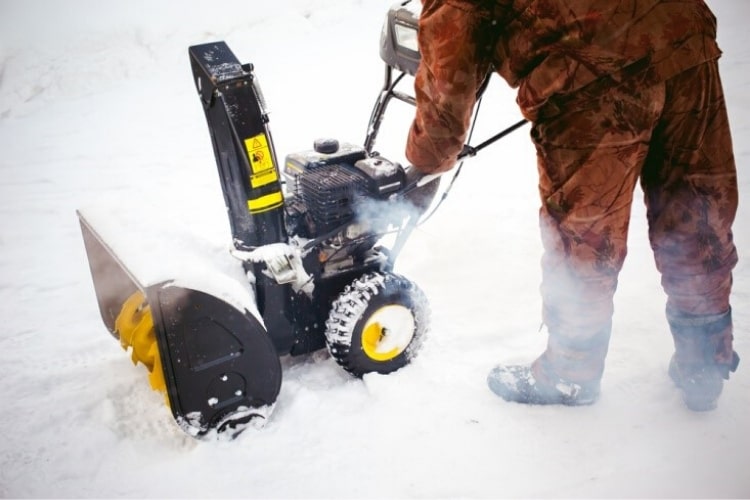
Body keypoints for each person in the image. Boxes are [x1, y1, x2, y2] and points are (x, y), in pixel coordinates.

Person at [404, 0, 740, 411]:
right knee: (694, 204)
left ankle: (570, 374)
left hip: (591, 64)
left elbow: (446, 85)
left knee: (586, 234)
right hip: (682, 30)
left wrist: (424, 163)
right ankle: (704, 362)